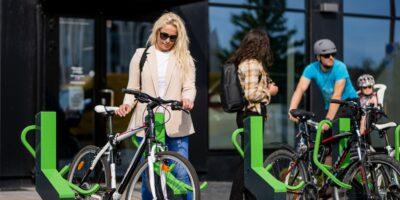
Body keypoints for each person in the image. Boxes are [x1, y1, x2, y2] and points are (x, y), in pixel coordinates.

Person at [115, 12, 196, 200]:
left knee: (182, 174)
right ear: (157, 32)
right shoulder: (141, 55)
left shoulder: (185, 57)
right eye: (164, 35)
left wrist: (188, 99)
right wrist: (126, 105)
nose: (168, 40)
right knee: (150, 173)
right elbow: (133, 88)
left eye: (173, 37)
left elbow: (189, 86)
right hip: (148, 121)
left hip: (176, 121)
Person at [288, 39, 359, 167]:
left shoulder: (340, 67)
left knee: (336, 135)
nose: (331, 57)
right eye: (327, 55)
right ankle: (328, 181)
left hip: (349, 104)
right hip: (332, 106)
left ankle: (346, 174)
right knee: (324, 145)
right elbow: (300, 89)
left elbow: (337, 95)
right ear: (318, 57)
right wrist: (292, 109)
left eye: (333, 54)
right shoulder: (311, 69)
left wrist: (328, 120)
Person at [228, 28, 279, 200]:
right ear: (260, 45)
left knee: (250, 161)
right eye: (265, 45)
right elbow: (251, 94)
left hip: (248, 116)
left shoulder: (246, 62)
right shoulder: (252, 64)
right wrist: (269, 92)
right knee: (248, 163)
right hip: (252, 116)